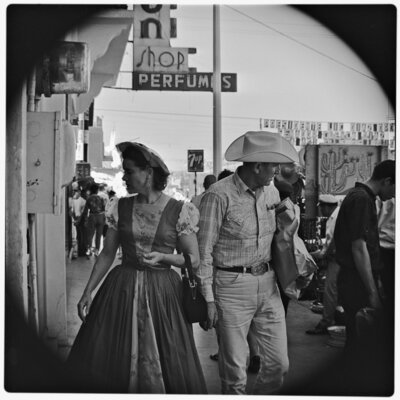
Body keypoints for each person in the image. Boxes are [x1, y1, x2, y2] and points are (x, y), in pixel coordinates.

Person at [67, 142, 207, 394]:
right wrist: (88, 291)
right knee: (112, 353)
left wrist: (164, 258)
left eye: (129, 171)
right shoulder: (119, 206)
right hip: (121, 288)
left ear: (148, 173)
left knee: (168, 353)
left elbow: (192, 259)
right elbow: (108, 253)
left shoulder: (180, 210)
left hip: (164, 291)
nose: (124, 176)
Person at [197, 131, 298, 394]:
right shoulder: (218, 195)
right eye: (273, 166)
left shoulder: (272, 193)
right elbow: (203, 251)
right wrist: (208, 300)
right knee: (235, 372)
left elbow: (280, 238)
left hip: (268, 284)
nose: (276, 171)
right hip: (229, 288)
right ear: (257, 166)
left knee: (279, 365)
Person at [334, 159, 395, 391]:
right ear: (387, 181)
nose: (394, 195)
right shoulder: (361, 200)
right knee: (358, 339)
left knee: (357, 338)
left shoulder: (362, 197)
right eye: (395, 188)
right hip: (355, 281)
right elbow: (358, 247)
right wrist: (372, 292)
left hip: (354, 278)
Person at [306, 194, 344, 334]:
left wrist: (322, 254)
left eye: (321, 207)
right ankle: (333, 319)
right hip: (337, 257)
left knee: (330, 291)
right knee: (334, 291)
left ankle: (326, 322)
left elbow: (334, 241)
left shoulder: (336, 218)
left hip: (337, 258)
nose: (321, 211)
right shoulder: (334, 216)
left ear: (327, 206)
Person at [82, 183, 107, 258]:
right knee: (99, 235)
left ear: (90, 190)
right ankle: (96, 251)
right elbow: (104, 209)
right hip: (100, 216)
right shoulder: (100, 198)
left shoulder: (89, 199)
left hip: (92, 217)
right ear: (97, 190)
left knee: (90, 235)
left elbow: (86, 211)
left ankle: (89, 251)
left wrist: (85, 220)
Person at [69, 188, 86, 259]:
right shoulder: (72, 200)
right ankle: (80, 251)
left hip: (81, 220)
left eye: (77, 192)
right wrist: (74, 218)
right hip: (76, 219)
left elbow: (83, 212)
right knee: (79, 236)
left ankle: (82, 251)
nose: (75, 193)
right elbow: (71, 210)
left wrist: (78, 220)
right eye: (74, 191)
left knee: (81, 235)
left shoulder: (83, 201)